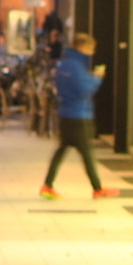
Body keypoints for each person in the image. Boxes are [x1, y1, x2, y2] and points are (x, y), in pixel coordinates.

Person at [41, 33, 116, 198]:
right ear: (83, 47)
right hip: (79, 115)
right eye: (91, 49)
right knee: (87, 153)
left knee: (61, 151)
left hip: (66, 114)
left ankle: (47, 185)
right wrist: (96, 78)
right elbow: (85, 90)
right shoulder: (76, 65)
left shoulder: (65, 64)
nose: (92, 52)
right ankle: (97, 188)